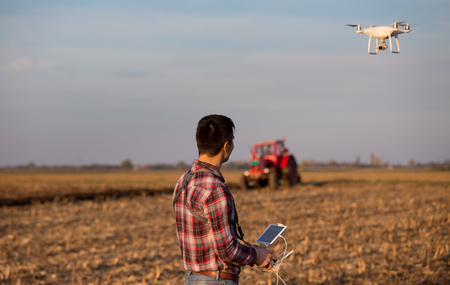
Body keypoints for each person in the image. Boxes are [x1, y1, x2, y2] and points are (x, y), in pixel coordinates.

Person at [173, 114, 277, 285]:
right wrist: (257, 255)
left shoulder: (182, 181)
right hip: (216, 281)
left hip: (192, 279)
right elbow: (227, 251)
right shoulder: (215, 188)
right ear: (226, 146)